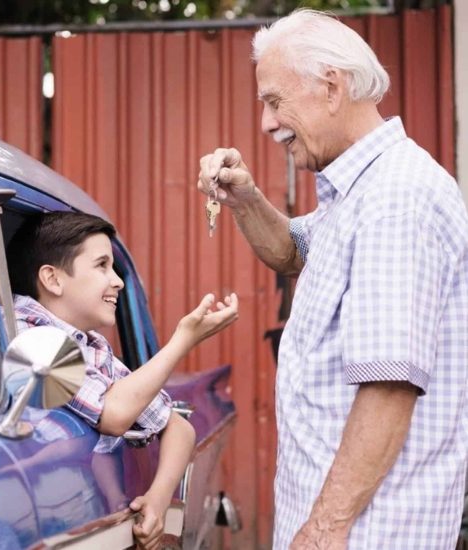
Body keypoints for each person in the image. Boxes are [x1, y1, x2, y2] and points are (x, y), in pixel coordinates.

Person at [198, 9, 468, 549]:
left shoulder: (395, 199)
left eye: (274, 102)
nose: (267, 124)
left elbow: (389, 385)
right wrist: (245, 198)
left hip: (369, 533)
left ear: (331, 86)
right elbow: (293, 253)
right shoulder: (361, 190)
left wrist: (325, 527)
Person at [7, 211, 238, 549]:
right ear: (53, 279)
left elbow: (180, 428)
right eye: (102, 266)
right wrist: (184, 340)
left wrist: (157, 501)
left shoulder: (91, 346)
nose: (117, 280)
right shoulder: (22, 327)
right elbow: (113, 415)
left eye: (114, 267)